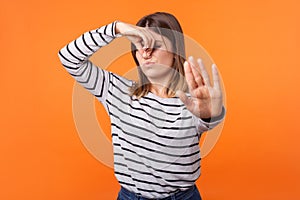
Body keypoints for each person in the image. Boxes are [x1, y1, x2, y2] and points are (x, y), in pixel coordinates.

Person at [58, 12, 225, 200]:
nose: (146, 52)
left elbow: (206, 118)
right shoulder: (116, 90)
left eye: (156, 45)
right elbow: (68, 57)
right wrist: (116, 28)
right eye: (140, 45)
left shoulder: (192, 101)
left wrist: (210, 113)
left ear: (175, 50)